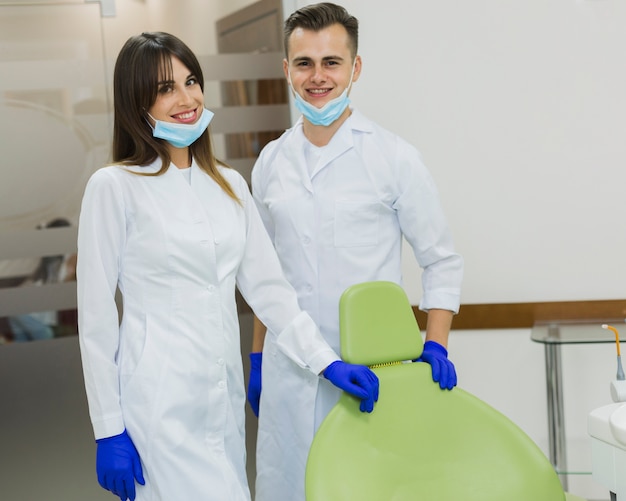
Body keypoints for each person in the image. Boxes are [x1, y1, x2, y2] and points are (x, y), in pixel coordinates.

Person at [76, 31, 379, 501]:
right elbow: (95, 319)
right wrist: (107, 429)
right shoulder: (114, 187)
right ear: (136, 103)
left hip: (221, 401)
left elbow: (271, 292)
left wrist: (328, 363)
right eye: (165, 88)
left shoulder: (230, 186)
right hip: (157, 404)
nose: (186, 98)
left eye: (191, 81)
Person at [249, 3, 464, 500]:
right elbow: (265, 274)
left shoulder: (393, 158)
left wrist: (435, 344)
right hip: (290, 375)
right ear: (286, 70)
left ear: (355, 68)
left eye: (331, 62)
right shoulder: (271, 163)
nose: (317, 76)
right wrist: (258, 359)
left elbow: (441, 259)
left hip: (371, 373)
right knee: (291, 488)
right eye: (304, 63)